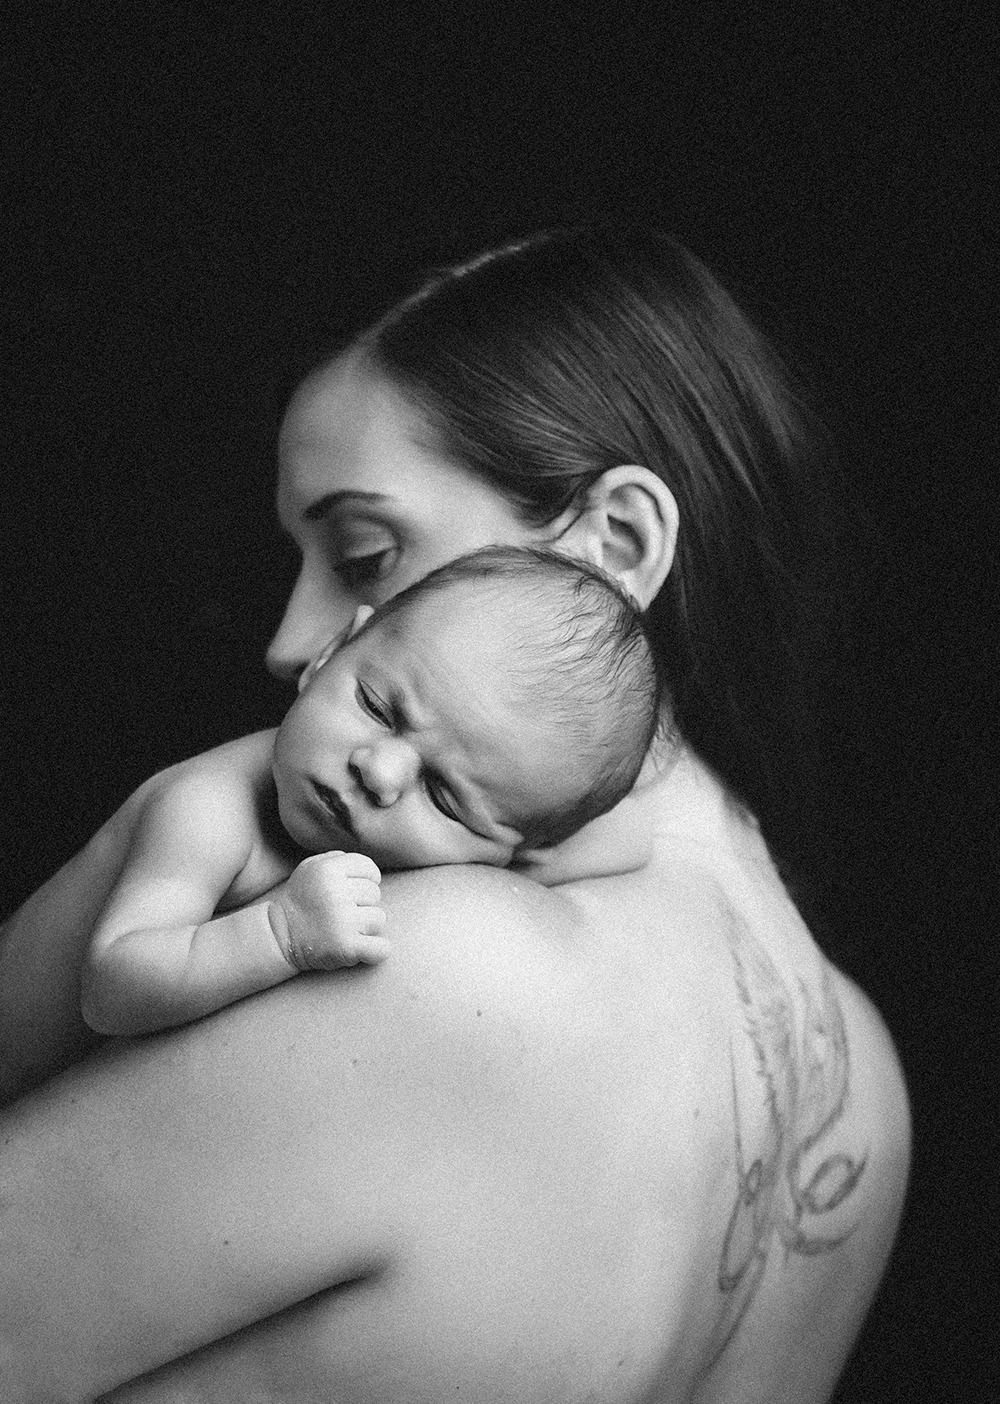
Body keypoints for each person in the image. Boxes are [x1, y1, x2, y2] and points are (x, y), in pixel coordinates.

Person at [0, 223, 910, 1404]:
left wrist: (133, 855)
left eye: (367, 556)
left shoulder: (438, 964)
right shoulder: (865, 1093)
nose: (289, 645)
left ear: (614, 545)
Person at [25, 547, 661, 1047]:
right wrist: (282, 934)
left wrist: (518, 846)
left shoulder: (496, 834)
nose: (380, 773)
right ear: (329, 652)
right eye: (377, 707)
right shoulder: (210, 812)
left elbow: (631, 835)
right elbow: (111, 988)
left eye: (442, 796)